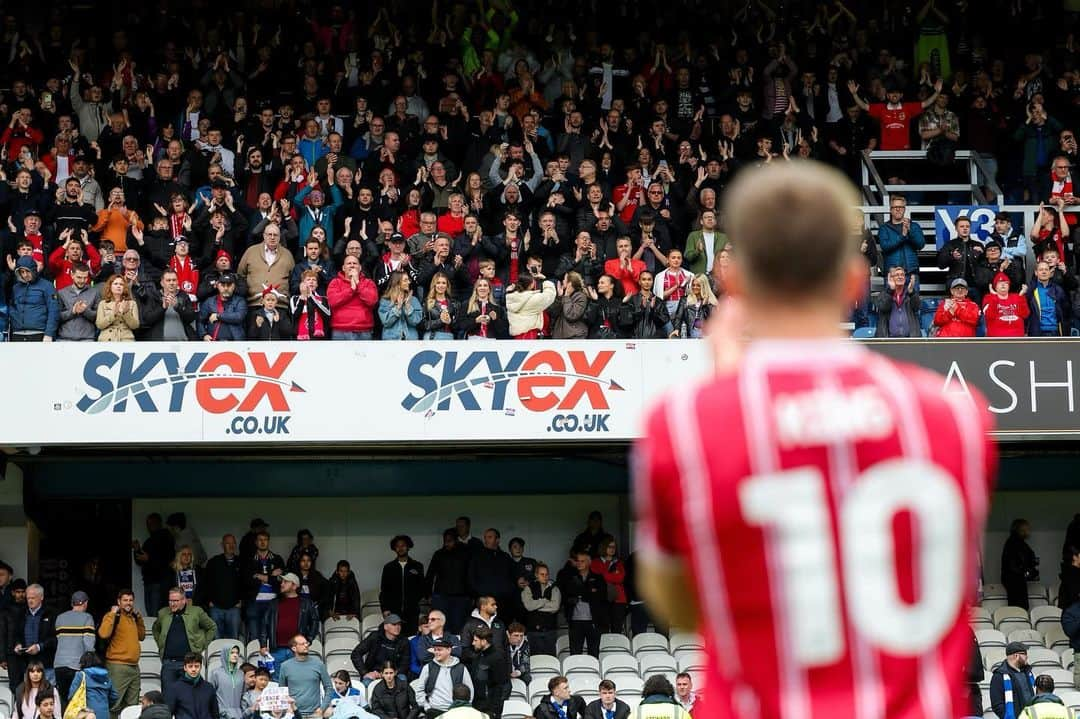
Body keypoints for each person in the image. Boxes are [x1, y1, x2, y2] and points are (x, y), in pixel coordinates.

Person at [632, 162, 996, 719]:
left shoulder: (684, 421)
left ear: (733, 281)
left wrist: (729, 394)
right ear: (854, 280)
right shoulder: (957, 416)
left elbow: (683, 606)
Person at [152, 588, 216, 693]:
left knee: (190, 697)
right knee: (168, 697)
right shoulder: (163, 613)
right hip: (169, 663)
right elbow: (155, 629)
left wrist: (202, 645)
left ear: (183, 600)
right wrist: (160, 643)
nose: (172, 604)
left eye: (175, 601)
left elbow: (212, 627)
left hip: (190, 663)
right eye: (170, 600)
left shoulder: (196, 612)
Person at [98, 589, 146, 718]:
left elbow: (141, 636)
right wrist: (112, 614)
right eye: (125, 600)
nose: (128, 603)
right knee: (114, 704)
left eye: (130, 600)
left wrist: (139, 618)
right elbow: (103, 633)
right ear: (118, 602)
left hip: (134, 667)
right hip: (117, 666)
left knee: (132, 707)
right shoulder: (114, 616)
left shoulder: (134, 617)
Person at [261, 574, 320, 676]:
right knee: (277, 683)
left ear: (294, 586)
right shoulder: (274, 603)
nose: (282, 584)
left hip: (297, 650)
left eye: (285, 582)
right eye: (282, 582)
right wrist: (263, 645)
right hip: (276, 649)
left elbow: (315, 621)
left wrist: (309, 640)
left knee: (298, 680)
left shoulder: (306, 603)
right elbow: (264, 624)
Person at [276, 635, 333, 719]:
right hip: (293, 714)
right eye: (302, 644)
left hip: (315, 713)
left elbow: (329, 688)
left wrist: (322, 708)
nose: (306, 645)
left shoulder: (319, 664)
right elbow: (281, 690)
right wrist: (288, 708)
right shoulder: (285, 666)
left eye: (306, 643)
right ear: (294, 648)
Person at [10, 584, 57, 687]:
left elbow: (55, 638)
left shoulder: (51, 613)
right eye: (28, 598)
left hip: (46, 663)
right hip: (27, 663)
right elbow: (16, 634)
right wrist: (18, 644)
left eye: (33, 598)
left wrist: (40, 647)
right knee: (29, 695)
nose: (30, 601)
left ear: (41, 597)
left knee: (47, 695)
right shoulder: (22, 613)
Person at [53, 591, 96, 703]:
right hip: (77, 666)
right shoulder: (87, 618)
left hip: (59, 665)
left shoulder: (60, 618)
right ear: (85, 603)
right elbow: (89, 644)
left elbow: (59, 639)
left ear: (72, 604)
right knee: (76, 701)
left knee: (62, 700)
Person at [559, 553, 604, 658]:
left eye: (582, 561)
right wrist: (589, 592)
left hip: (593, 621)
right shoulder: (570, 578)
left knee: (594, 653)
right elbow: (565, 596)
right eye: (578, 561)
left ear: (589, 562)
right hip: (575, 621)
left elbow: (601, 597)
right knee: (575, 653)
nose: (579, 563)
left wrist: (581, 594)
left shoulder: (598, 578)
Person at [427, 530, 472, 634]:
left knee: (458, 627)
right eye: (445, 541)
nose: (447, 543)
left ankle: (455, 650)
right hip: (441, 596)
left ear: (456, 540)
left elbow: (470, 575)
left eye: (450, 541)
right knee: (440, 626)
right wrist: (428, 594)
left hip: (460, 597)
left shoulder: (465, 554)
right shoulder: (439, 554)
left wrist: (471, 595)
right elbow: (430, 574)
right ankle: (441, 649)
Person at [380, 536, 426, 637]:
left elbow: (422, 587)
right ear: (394, 548)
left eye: (403, 545)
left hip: (412, 612)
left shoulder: (417, 566)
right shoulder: (389, 567)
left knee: (411, 638)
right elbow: (384, 590)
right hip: (394, 612)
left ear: (408, 547)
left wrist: (414, 601)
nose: (400, 548)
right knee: (395, 640)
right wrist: (385, 609)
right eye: (397, 546)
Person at [414, 639, 473, 717]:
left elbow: (469, 690)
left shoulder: (461, 668)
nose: (436, 652)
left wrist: (464, 708)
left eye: (439, 650)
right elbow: (419, 690)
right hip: (434, 710)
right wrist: (427, 707)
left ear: (449, 650)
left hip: (455, 711)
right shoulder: (428, 667)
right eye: (435, 650)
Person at [463, 626, 510, 719]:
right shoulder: (478, 656)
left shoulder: (497, 658)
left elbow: (504, 686)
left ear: (484, 641)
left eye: (475, 640)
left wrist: (494, 710)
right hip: (476, 706)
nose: (473, 643)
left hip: (490, 709)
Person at [328, 254, 378, 339]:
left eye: (355, 263)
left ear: (360, 267)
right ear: (343, 268)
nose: (352, 265)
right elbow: (332, 302)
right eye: (349, 263)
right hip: (340, 330)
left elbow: (372, 301)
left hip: (364, 330)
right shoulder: (335, 282)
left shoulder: (368, 283)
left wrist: (358, 283)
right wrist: (351, 290)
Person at [9, 256, 60, 341]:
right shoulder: (16, 288)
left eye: (28, 271)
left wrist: (49, 333)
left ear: (33, 270)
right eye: (22, 272)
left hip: (39, 334)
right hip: (17, 334)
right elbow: (12, 307)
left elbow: (54, 310)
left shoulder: (47, 286)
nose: (25, 275)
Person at [204, 535, 243, 640]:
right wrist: (209, 600)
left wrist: (242, 600)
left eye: (233, 543)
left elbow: (246, 583)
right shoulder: (214, 562)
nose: (231, 545)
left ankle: (231, 657)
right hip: (216, 607)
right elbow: (206, 582)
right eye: (228, 543)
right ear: (222, 545)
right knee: (216, 640)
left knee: (234, 640)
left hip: (234, 607)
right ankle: (219, 657)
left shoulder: (241, 562)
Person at [350, 615, 410, 683]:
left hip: (394, 674)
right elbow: (356, 654)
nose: (397, 627)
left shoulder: (404, 641)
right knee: (366, 683)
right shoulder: (375, 637)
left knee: (402, 679)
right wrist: (365, 673)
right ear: (385, 626)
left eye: (399, 624)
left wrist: (394, 673)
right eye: (394, 624)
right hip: (374, 673)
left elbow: (405, 663)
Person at [522, 563, 560, 657]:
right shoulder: (528, 588)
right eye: (542, 574)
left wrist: (536, 605)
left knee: (550, 661)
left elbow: (555, 607)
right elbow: (529, 606)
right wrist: (544, 601)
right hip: (533, 631)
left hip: (550, 631)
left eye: (546, 574)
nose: (545, 577)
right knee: (535, 661)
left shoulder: (554, 588)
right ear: (536, 575)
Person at [991, 643, 1035, 719]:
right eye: (1024, 654)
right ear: (1016, 656)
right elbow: (997, 704)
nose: (1027, 657)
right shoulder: (999, 676)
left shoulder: (1028, 673)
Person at [166, 653, 218, 719]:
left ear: (201, 667)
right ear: (185, 667)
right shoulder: (175, 688)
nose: (193, 669)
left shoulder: (209, 687)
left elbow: (215, 713)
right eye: (190, 666)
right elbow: (168, 713)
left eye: (196, 666)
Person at [1003, 519, 1040, 610]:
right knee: (1019, 608)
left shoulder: (1015, 542)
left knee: (1018, 608)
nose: (1028, 532)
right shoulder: (1015, 543)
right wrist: (1027, 571)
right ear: (1020, 530)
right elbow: (1016, 563)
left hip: (1014, 579)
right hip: (1015, 580)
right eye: (1027, 529)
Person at [874, 265, 921, 338]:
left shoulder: (910, 294)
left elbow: (917, 307)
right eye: (897, 275)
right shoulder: (884, 294)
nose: (900, 277)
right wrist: (891, 290)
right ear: (891, 279)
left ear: (905, 279)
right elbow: (883, 307)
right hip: (888, 341)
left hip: (910, 340)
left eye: (902, 275)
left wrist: (912, 292)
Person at [68, 652, 118, 719]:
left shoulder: (81, 675)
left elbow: (72, 695)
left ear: (83, 663)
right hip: (104, 714)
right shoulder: (106, 676)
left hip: (88, 715)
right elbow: (114, 696)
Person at [1027, 261, 1071, 337]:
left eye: (1046, 269)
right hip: (1036, 332)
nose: (1044, 272)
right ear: (1036, 273)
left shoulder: (1058, 290)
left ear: (1050, 273)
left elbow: (1066, 311)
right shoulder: (1031, 290)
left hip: (1055, 332)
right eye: (1041, 270)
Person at [377, 271, 424, 340]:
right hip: (391, 341)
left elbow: (416, 322)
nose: (409, 282)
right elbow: (386, 322)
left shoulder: (413, 300)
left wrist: (408, 306)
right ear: (397, 283)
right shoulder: (385, 300)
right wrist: (398, 307)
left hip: (410, 340)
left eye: (408, 279)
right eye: (405, 280)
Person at [983, 272, 1030, 337]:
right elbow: (989, 316)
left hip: (1016, 338)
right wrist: (994, 297)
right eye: (1000, 283)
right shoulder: (989, 298)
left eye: (1006, 283)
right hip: (996, 339)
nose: (1003, 285)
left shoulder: (1017, 297)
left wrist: (1021, 296)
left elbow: (1025, 314)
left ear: (1009, 286)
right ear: (995, 287)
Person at [209, 642, 245, 719]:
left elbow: (243, 695)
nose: (235, 655)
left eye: (237, 653)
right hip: (222, 716)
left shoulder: (241, 674)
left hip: (239, 716)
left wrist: (242, 712)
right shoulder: (216, 673)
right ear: (225, 653)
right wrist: (223, 712)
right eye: (232, 652)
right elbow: (211, 696)